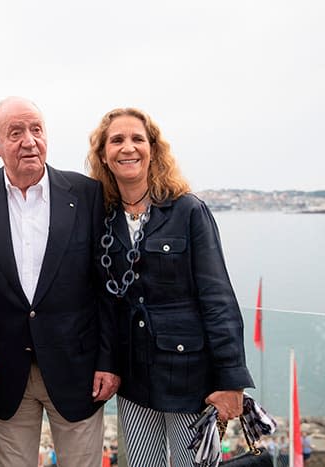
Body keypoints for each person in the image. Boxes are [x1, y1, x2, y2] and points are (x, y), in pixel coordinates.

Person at [0, 96, 120, 466]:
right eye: (16, 132)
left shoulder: (86, 194)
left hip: (79, 371)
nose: (29, 140)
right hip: (4, 373)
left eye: (36, 130)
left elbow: (105, 286)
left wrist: (108, 360)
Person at [86, 107, 255, 466]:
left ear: (153, 150)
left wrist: (231, 380)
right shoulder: (103, 218)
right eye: (116, 140)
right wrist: (107, 363)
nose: (127, 147)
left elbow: (218, 297)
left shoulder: (188, 210)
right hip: (133, 381)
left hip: (190, 377)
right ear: (103, 154)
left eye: (137, 139)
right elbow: (104, 303)